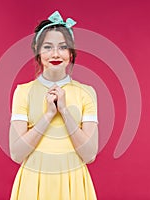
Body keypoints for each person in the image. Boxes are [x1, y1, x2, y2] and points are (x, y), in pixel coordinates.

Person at [9, 11, 98, 200]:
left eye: (63, 47)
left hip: (73, 182)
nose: (55, 54)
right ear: (37, 52)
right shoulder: (23, 92)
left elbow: (89, 155)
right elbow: (17, 153)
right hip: (34, 183)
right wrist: (48, 115)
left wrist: (65, 112)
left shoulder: (87, 93)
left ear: (71, 52)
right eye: (48, 47)